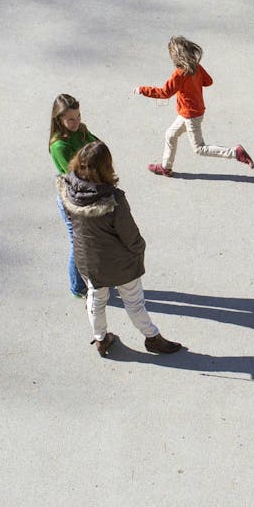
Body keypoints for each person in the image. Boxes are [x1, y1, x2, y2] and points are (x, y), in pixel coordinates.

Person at [57, 142, 182, 357]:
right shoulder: (113, 200)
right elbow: (130, 235)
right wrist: (139, 250)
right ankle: (152, 338)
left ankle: (101, 339)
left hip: (87, 260)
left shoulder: (68, 191)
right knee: (134, 302)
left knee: (96, 299)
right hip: (119, 263)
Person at [135, 36, 254, 176]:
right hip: (192, 112)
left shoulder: (179, 74)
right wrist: (194, 82)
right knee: (171, 134)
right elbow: (208, 81)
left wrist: (142, 90)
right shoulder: (196, 67)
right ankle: (165, 167)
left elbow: (164, 93)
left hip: (190, 116)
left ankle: (235, 152)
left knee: (199, 148)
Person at [49, 94, 99, 299]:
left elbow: (97, 145)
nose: (77, 122)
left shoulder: (81, 130)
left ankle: (90, 277)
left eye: (78, 116)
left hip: (87, 192)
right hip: (72, 198)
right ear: (59, 119)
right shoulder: (59, 146)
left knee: (89, 240)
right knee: (78, 243)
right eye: (71, 119)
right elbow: (76, 173)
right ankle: (77, 287)